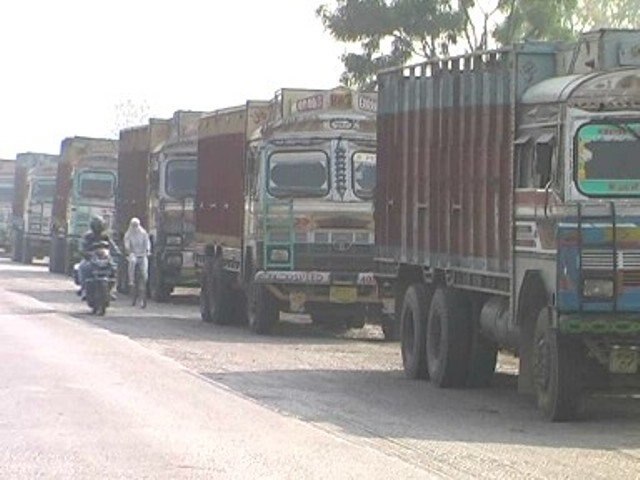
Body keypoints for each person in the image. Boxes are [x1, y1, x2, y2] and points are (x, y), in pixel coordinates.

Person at [77, 216, 120, 299]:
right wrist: (84, 252)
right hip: (90, 258)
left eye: (99, 225)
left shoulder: (105, 236)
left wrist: (117, 252)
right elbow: (82, 246)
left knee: (114, 268)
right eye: (96, 225)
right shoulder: (88, 236)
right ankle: (84, 289)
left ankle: (110, 290)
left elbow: (112, 246)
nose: (98, 228)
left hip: (104, 258)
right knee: (82, 267)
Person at [123, 217, 150, 307]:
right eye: (133, 225)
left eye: (136, 225)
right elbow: (126, 244)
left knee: (144, 272)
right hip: (133, 254)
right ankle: (131, 280)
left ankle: (145, 282)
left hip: (142, 255)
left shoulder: (143, 233)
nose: (135, 227)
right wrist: (129, 251)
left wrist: (147, 250)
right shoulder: (128, 234)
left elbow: (147, 243)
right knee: (132, 262)